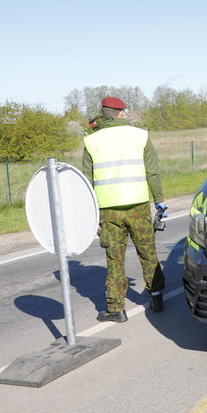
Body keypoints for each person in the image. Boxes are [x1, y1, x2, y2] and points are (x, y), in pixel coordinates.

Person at [82, 96, 167, 323]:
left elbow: (87, 183)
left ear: (103, 113)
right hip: (138, 205)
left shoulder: (91, 140)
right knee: (148, 253)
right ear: (121, 112)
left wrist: (93, 216)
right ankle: (156, 296)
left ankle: (116, 309)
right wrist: (159, 201)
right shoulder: (139, 135)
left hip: (108, 210)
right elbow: (152, 172)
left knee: (114, 258)